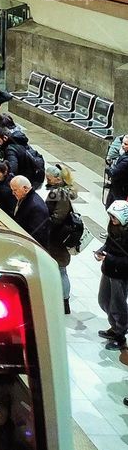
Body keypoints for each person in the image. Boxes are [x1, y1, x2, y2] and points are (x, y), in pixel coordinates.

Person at [96, 199, 128, 351]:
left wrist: (108, 258)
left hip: (121, 275)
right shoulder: (114, 227)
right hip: (108, 270)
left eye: (114, 217)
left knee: (117, 305)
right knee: (103, 300)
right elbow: (109, 243)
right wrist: (101, 250)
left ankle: (120, 334)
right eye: (110, 216)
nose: (112, 220)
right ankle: (115, 327)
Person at [45, 164, 77, 314]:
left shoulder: (61, 194)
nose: (47, 180)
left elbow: (58, 217)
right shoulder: (59, 192)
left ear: (58, 179)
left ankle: (64, 302)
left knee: (61, 270)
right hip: (57, 237)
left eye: (49, 178)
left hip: (58, 239)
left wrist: (46, 222)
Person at [10, 175, 51, 247]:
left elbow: (35, 235)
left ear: (25, 188)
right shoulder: (24, 197)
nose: (13, 193)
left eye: (15, 190)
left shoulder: (36, 207)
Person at [106, 135, 128, 206]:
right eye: (123, 143)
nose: (122, 145)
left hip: (121, 190)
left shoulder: (126, 160)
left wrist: (110, 168)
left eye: (126, 144)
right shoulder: (124, 155)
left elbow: (113, 173)